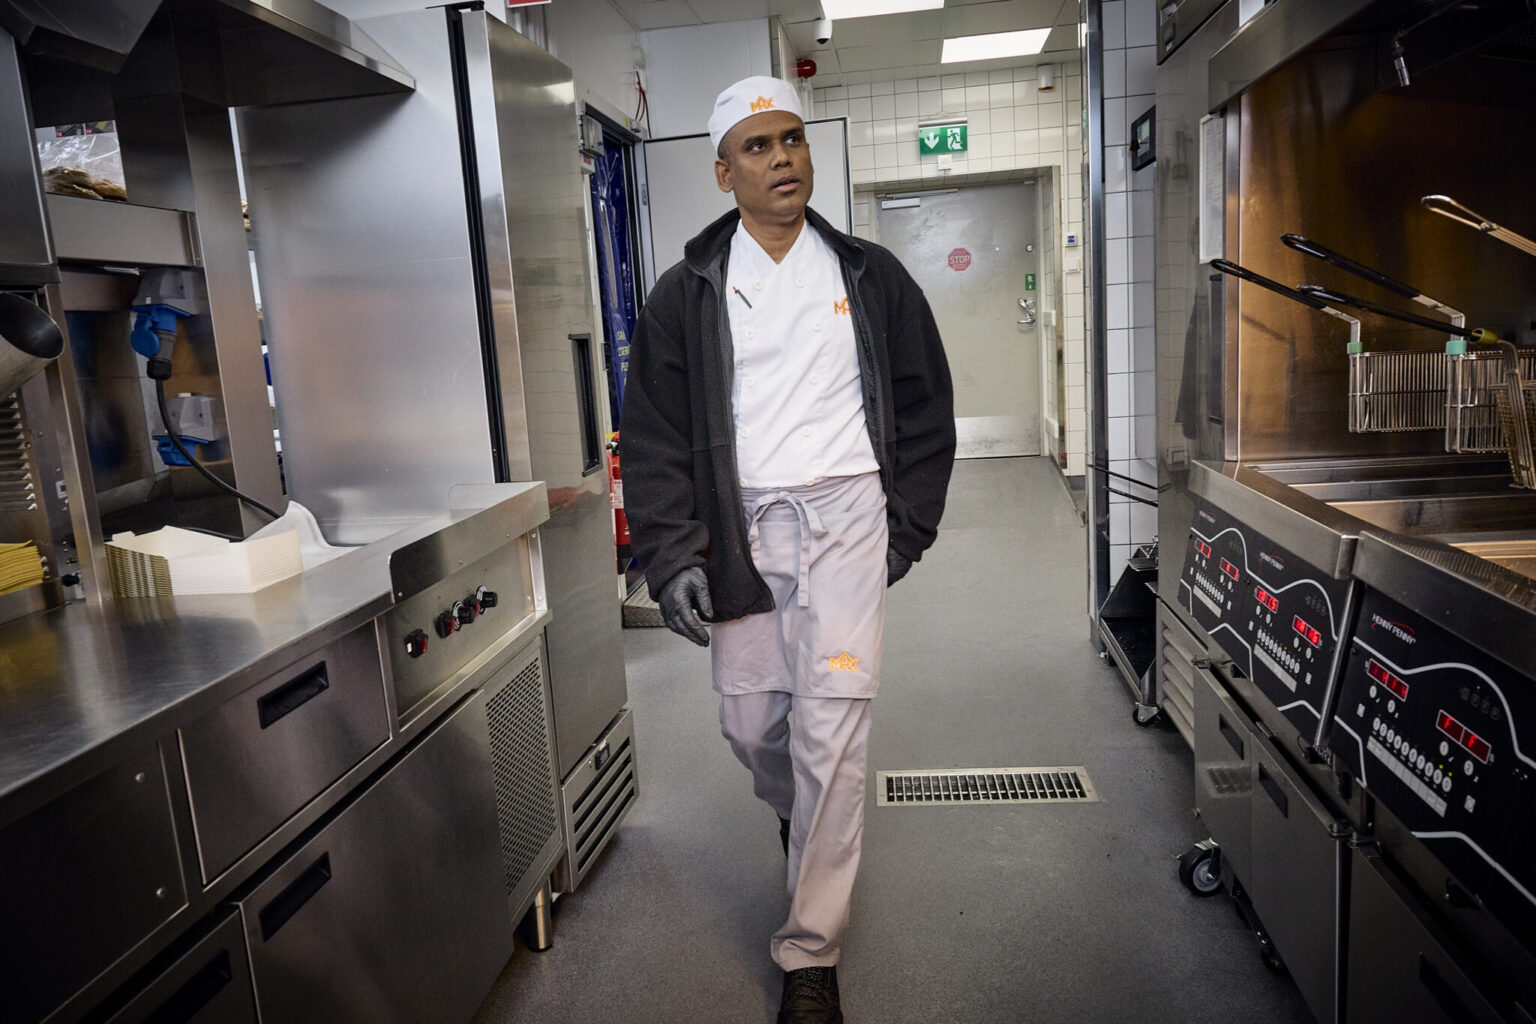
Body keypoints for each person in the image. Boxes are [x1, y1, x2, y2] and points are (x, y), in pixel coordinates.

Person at [621, 75, 955, 1024]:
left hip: (848, 515)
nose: (783, 160)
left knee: (832, 732)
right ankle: (799, 817)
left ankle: (811, 953)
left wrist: (905, 527)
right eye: (759, 147)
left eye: (793, 140)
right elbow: (652, 434)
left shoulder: (869, 275)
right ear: (723, 172)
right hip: (742, 526)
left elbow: (926, 402)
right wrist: (673, 555)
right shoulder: (687, 292)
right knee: (752, 723)